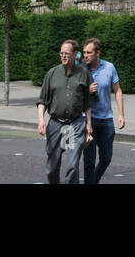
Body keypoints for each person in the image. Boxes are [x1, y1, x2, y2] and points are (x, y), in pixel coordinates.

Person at [36, 40, 93, 184]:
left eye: (67, 53)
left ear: (75, 54)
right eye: (61, 53)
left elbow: (87, 102)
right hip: (55, 124)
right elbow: (42, 100)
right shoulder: (52, 73)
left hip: (75, 124)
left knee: (72, 166)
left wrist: (89, 123)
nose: (63, 56)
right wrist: (41, 120)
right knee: (52, 167)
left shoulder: (83, 74)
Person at [81, 38, 125, 184]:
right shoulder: (80, 70)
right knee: (89, 160)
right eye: (84, 52)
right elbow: (73, 94)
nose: (85, 55)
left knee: (106, 158)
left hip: (106, 120)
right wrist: (87, 91)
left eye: (89, 52)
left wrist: (121, 114)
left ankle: (94, 180)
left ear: (97, 53)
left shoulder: (109, 67)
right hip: (88, 121)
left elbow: (117, 90)